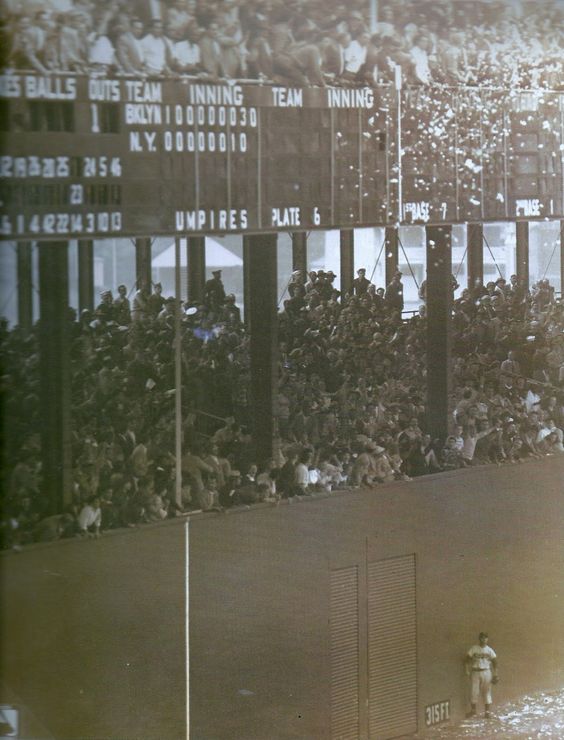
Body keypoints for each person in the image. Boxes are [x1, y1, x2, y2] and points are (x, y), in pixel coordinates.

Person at [465, 632, 499, 719]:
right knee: (474, 691)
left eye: (485, 638)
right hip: (475, 671)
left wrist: (495, 674)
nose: (484, 640)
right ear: (479, 639)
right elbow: (467, 659)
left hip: (486, 671)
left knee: (487, 691)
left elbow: (495, 663)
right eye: (482, 638)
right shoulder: (474, 648)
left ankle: (487, 712)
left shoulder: (490, 650)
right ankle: (473, 711)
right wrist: (467, 670)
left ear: (487, 639)